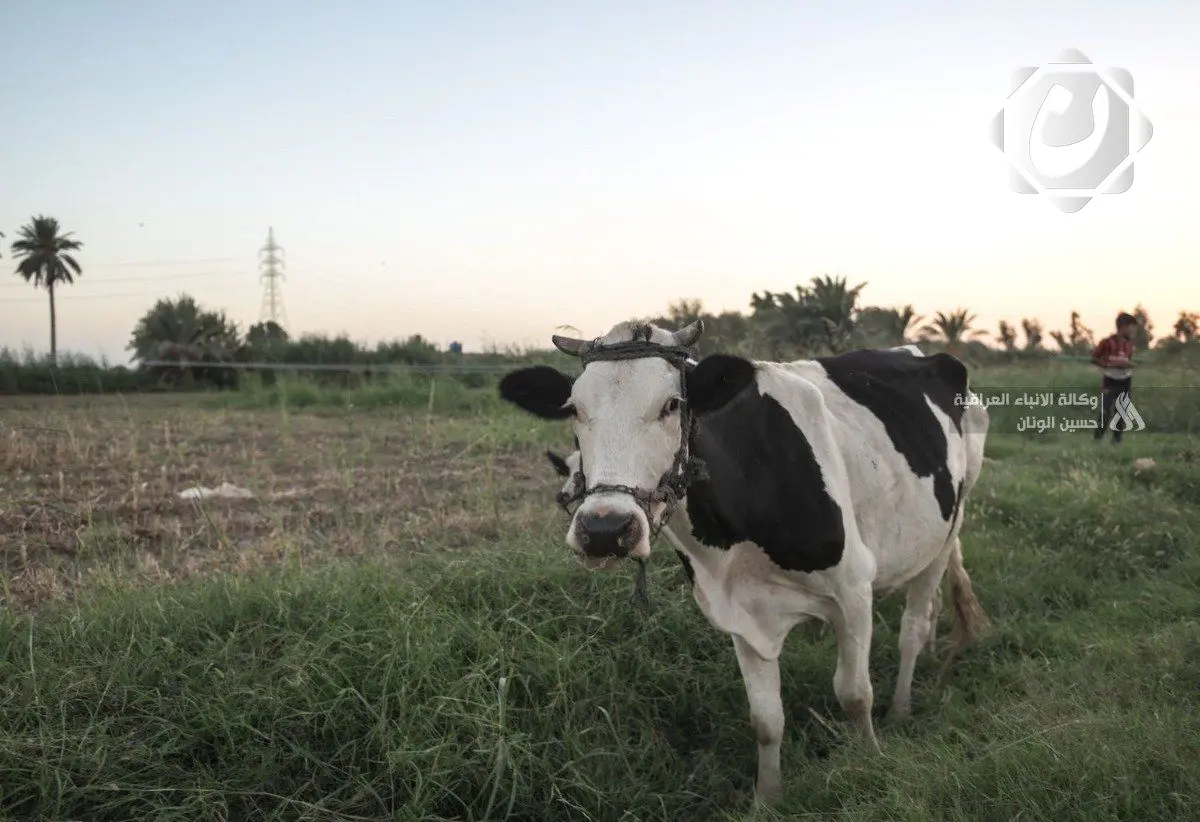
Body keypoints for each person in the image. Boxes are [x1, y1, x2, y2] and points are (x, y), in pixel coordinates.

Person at [1090, 312, 1137, 443]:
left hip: (1125, 380)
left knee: (1121, 413)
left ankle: (1116, 442)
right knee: (1105, 412)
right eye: (1131, 328)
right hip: (1110, 380)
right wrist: (1109, 364)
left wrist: (1128, 365)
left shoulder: (1129, 345)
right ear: (1123, 327)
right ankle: (1097, 440)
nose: (1133, 331)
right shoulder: (1107, 342)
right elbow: (1094, 358)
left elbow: (1127, 360)